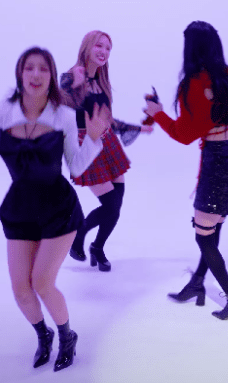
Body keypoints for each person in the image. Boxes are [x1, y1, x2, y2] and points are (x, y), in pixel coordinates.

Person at [0, 46, 108, 371]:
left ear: (51, 76)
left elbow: (76, 167)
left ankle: (67, 336)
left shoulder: (63, 116)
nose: (35, 74)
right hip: (20, 208)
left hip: (58, 208)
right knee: (21, 289)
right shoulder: (2, 112)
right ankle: (43, 334)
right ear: (20, 73)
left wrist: (94, 139)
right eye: (29, 67)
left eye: (43, 69)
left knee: (42, 282)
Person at [144, 20, 228, 323]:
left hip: (217, 160)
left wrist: (157, 114)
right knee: (213, 225)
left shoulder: (193, 83)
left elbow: (184, 134)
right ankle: (197, 284)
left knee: (204, 237)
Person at [61, 30, 153, 272]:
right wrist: (76, 86)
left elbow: (107, 119)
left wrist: (138, 128)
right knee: (110, 206)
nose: (104, 51)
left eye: (108, 48)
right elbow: (60, 108)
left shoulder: (101, 81)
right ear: (87, 47)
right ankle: (79, 233)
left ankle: (97, 247)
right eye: (99, 46)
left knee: (115, 206)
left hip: (107, 142)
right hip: (86, 144)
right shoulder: (70, 77)